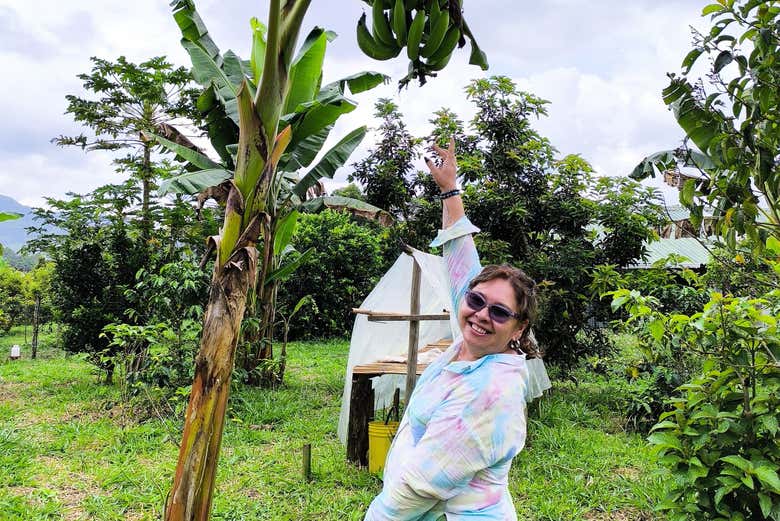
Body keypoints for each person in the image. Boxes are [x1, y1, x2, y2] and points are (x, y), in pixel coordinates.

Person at [364, 138, 538, 520]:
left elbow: (422, 484)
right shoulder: (474, 344)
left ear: (518, 327)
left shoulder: (491, 391)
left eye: (499, 311)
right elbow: (461, 260)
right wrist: (449, 188)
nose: (480, 315)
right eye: (476, 301)